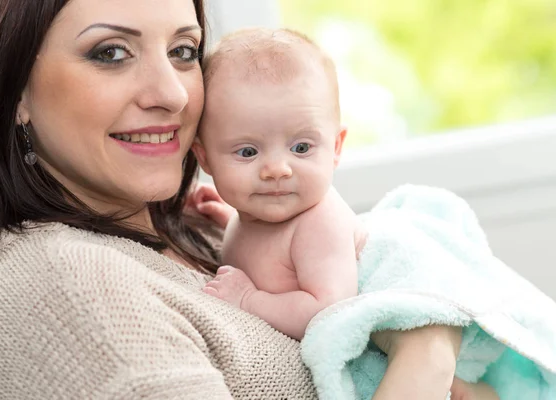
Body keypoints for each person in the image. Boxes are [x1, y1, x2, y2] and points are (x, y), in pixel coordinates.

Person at [0, 0, 464, 398]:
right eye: (110, 52)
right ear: (16, 91)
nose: (173, 94)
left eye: (183, 51)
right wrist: (427, 357)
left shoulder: (203, 225)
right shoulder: (73, 291)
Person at [192, 28, 498, 399]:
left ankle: (479, 393)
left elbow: (327, 308)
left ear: (335, 147)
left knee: (422, 374)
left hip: (406, 328)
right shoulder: (257, 213)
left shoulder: (319, 222)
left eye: (301, 147)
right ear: (205, 157)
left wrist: (248, 301)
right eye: (247, 153)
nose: (277, 168)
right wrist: (228, 219)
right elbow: (272, 256)